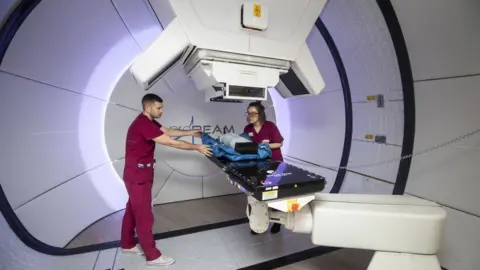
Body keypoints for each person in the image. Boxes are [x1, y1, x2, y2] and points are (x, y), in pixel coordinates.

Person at [120, 93, 212, 266]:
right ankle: (152, 256)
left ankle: (127, 244)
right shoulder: (142, 124)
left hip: (138, 175)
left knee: (132, 210)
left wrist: (191, 132)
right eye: (159, 108)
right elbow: (170, 142)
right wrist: (197, 147)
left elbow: (168, 131)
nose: (162, 110)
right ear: (148, 107)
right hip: (138, 176)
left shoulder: (148, 121)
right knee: (144, 215)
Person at [243, 101, 284, 235]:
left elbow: (279, 143)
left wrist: (262, 146)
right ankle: (257, 223)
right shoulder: (247, 129)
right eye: (248, 113)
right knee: (257, 195)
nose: (250, 115)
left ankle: (277, 222)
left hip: (274, 164)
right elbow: (248, 146)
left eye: (253, 113)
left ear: (260, 114)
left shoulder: (270, 126)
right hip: (257, 165)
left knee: (274, 194)